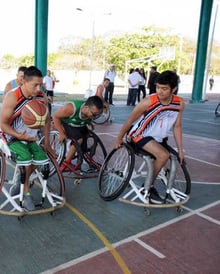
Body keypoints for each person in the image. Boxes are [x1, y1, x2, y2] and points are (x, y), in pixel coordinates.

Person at [113, 70, 185, 204]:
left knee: (172, 157)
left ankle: (151, 184)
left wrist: (181, 150)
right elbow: (130, 121)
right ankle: (148, 187)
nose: (160, 91)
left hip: (159, 138)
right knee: (163, 155)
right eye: (158, 87)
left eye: (164, 89)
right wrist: (118, 138)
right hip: (139, 134)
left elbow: (177, 126)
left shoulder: (179, 103)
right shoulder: (148, 101)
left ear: (174, 89)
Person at [0, 66, 51, 211]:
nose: (38, 88)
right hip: (10, 136)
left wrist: (47, 142)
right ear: (23, 82)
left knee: (42, 157)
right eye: (34, 85)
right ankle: (25, 191)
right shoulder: (12, 96)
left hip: (30, 137)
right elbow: (3, 125)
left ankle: (22, 182)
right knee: (27, 158)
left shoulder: (41, 97)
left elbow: (47, 120)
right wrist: (18, 135)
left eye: (40, 84)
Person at [52, 96, 104, 172]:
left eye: (97, 115)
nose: (95, 117)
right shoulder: (70, 109)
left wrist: (89, 123)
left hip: (78, 125)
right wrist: (61, 133)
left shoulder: (90, 112)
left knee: (90, 136)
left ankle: (86, 159)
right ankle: (65, 163)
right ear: (86, 108)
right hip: (65, 123)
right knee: (79, 139)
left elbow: (88, 118)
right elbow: (55, 116)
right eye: (94, 114)